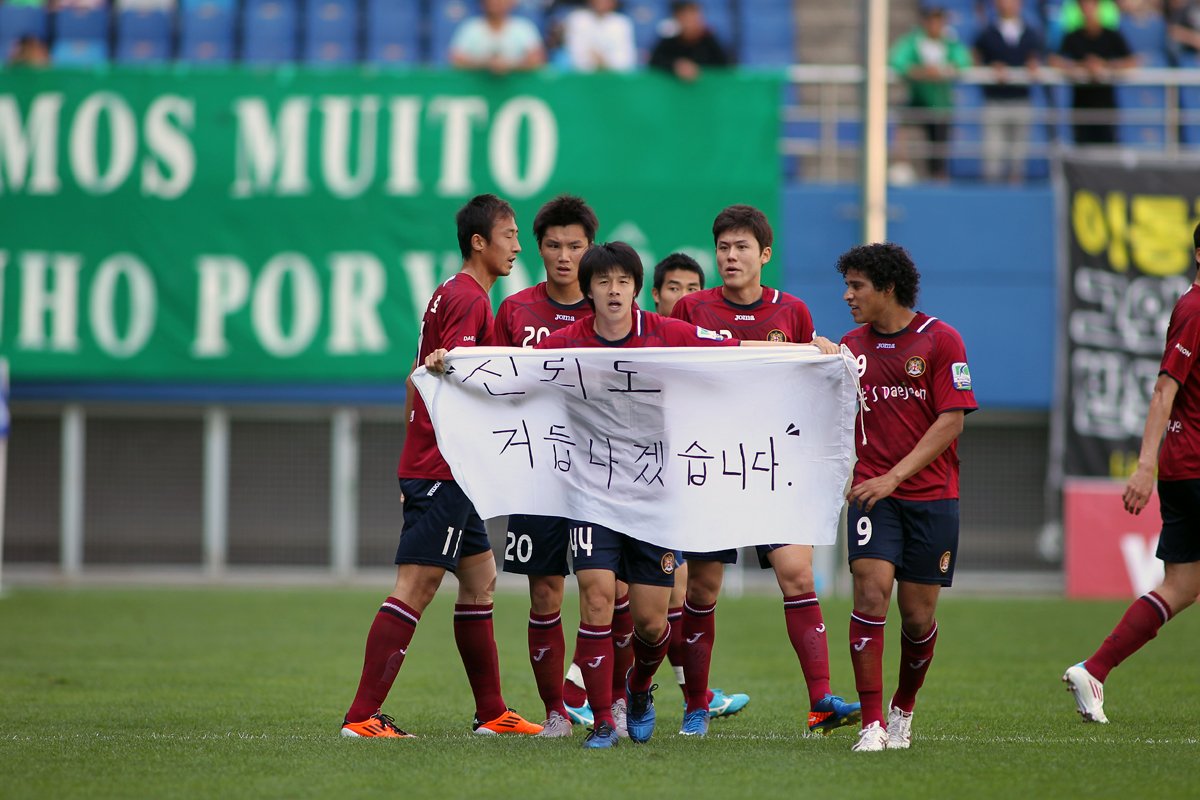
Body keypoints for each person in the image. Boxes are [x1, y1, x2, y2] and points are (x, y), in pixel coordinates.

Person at [339, 194, 542, 739]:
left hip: (448, 465)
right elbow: (456, 375)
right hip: (445, 467)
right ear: (480, 242)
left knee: (480, 579)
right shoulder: (470, 300)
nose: (518, 246)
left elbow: (418, 374)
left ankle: (492, 712)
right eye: (509, 235)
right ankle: (361, 717)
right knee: (417, 584)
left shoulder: (451, 293)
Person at [669, 206, 860, 738]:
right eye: (724, 248)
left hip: (771, 469)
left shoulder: (792, 312)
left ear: (764, 255)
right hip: (711, 467)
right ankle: (696, 707)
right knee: (702, 591)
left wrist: (818, 351)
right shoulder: (691, 309)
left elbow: (812, 391)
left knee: (798, 576)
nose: (731, 257)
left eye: (742, 248)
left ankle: (821, 700)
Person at [835, 242, 977, 752]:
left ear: (888, 287)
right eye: (847, 285)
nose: (847, 295)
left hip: (932, 496)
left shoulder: (941, 340)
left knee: (917, 618)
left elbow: (952, 420)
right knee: (870, 594)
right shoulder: (849, 349)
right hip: (874, 496)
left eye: (857, 286)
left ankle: (903, 708)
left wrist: (894, 477)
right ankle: (871, 722)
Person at [1063, 223, 1200, 725]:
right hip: (1193, 464)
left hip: (1186, 467)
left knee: (1183, 586)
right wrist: (1145, 464)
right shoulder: (1195, 308)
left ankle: (1094, 670)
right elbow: (1164, 390)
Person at [491, 195, 606, 738]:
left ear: (591, 248)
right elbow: (488, 381)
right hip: (539, 474)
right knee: (545, 593)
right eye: (554, 246)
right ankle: (557, 712)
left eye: (575, 246)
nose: (564, 256)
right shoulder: (515, 312)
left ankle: (604, 701)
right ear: (538, 248)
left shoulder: (608, 307)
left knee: (610, 592)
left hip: (602, 472)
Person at [650, 253, 751, 719]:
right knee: (626, 595)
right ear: (655, 294)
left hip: (697, 481)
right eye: (674, 288)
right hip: (645, 483)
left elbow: (742, 354)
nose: (684, 298)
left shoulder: (698, 343)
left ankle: (695, 693)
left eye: (693, 289)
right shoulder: (641, 339)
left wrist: (809, 347)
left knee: (679, 594)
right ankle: (583, 695)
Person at [888, 5, 972, 181]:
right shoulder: (914, 41)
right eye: (932, 21)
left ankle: (937, 178)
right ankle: (900, 166)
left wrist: (944, 71)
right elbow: (897, 60)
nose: (935, 25)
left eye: (938, 21)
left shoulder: (950, 43)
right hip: (918, 100)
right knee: (902, 125)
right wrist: (919, 72)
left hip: (941, 105)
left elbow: (964, 62)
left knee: (938, 150)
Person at [973, 0, 1045, 183]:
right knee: (993, 156)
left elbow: (1037, 57)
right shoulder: (987, 33)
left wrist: (1033, 64)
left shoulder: (1030, 33)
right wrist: (991, 68)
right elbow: (974, 60)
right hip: (995, 100)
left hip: (1021, 99)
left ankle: (1015, 193)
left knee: (1017, 157)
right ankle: (992, 197)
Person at [1051, 0, 1138, 146]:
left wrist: (1104, 65)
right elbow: (1055, 60)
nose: (1088, 11)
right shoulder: (1073, 36)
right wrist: (1081, 66)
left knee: (1106, 147)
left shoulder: (1111, 35)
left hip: (1105, 103)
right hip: (1081, 104)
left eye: (1091, 6)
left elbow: (1131, 61)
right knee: (1082, 147)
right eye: (1084, 7)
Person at [449, 0, 546, 74]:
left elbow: (537, 58)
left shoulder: (524, 28)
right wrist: (486, 64)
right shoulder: (470, 28)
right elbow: (456, 59)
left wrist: (509, 65)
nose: (495, 2)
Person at [649, 1, 731, 81]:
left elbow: (724, 67)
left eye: (694, 16)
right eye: (685, 17)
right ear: (677, 18)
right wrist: (676, 65)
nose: (690, 22)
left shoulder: (710, 40)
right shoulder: (669, 40)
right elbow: (654, 62)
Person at [563, 0, 636, 72]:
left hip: (614, 77)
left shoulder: (622, 23)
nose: (601, 2)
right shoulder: (577, 20)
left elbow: (626, 59)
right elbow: (574, 55)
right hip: (582, 77)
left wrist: (604, 62)